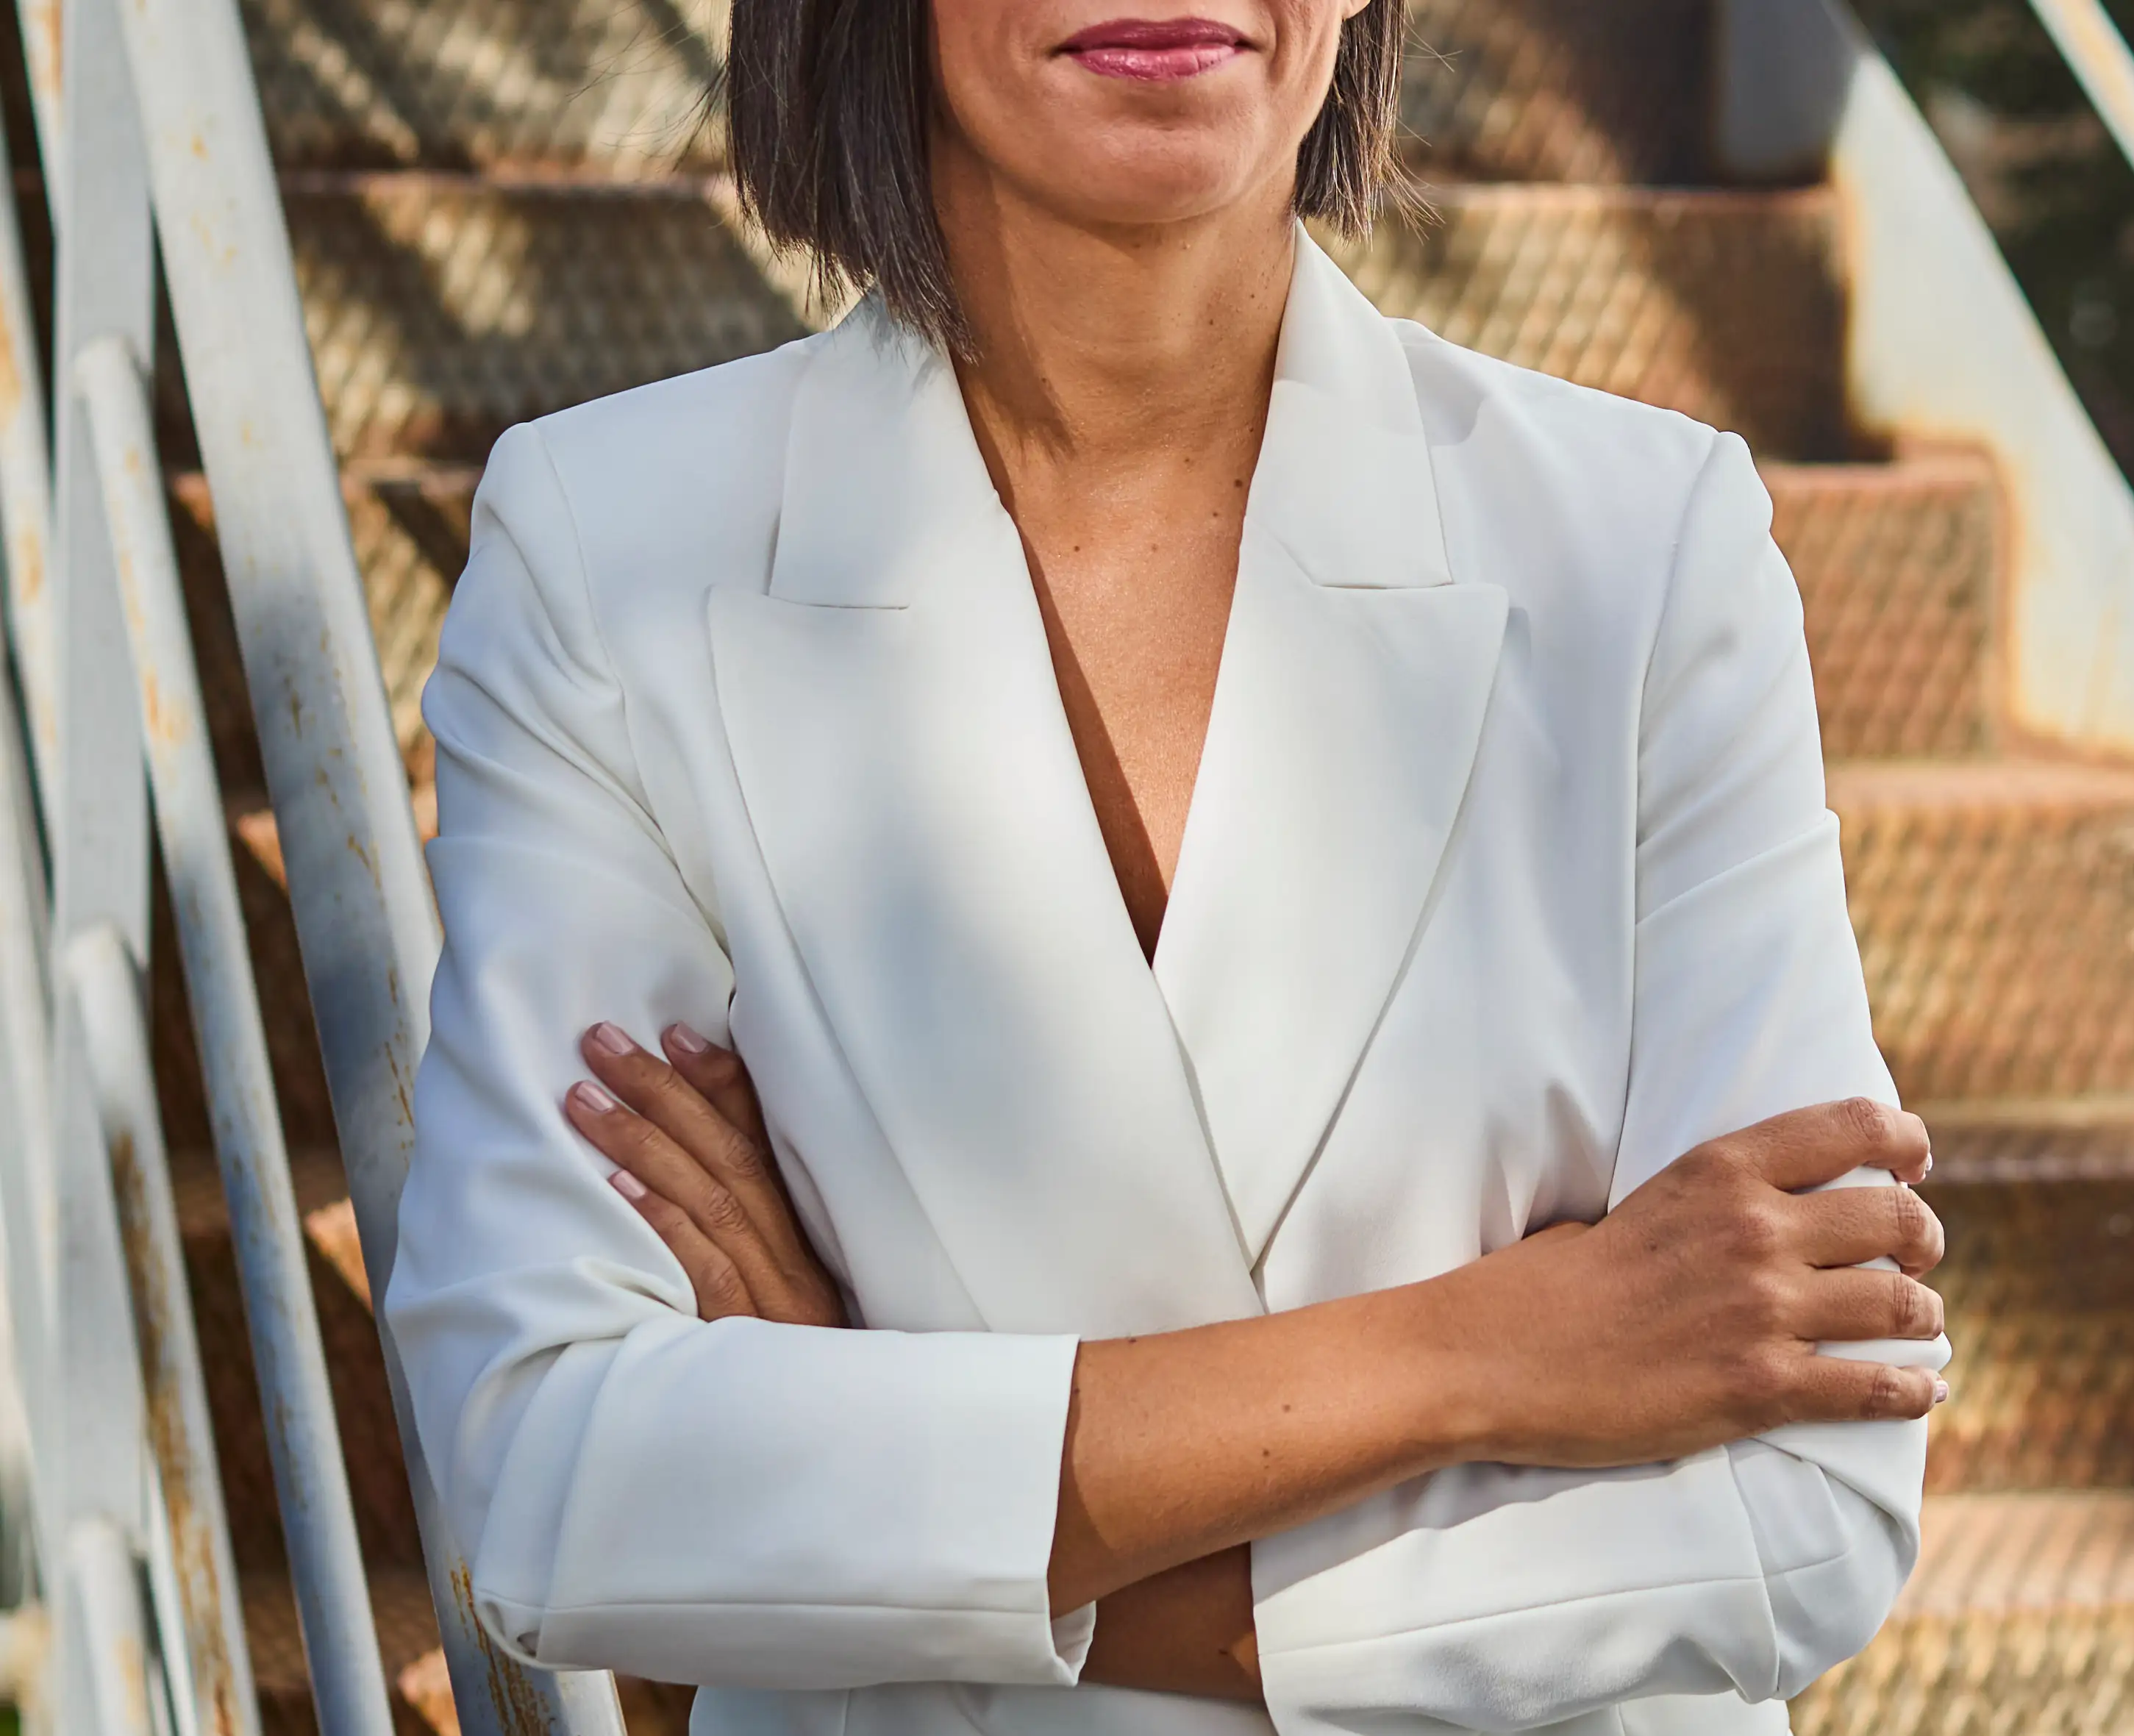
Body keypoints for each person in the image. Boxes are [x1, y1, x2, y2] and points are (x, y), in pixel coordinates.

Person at [383, 1, 1951, 1731]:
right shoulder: (609, 549)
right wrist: (1488, 1353)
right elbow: (548, 1474)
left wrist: (866, 1487)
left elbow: (1805, 1512)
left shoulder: (1646, 543)